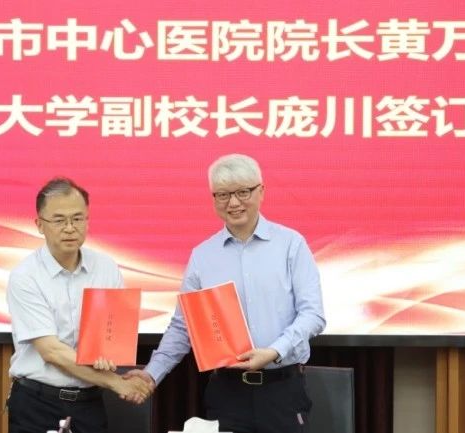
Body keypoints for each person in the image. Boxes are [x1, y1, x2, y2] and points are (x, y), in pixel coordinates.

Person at [121, 154, 326, 433]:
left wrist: (274, 352)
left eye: (243, 192)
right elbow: (183, 326)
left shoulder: (291, 244)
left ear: (261, 191)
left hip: (282, 390)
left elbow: (313, 315)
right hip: (227, 393)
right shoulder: (203, 256)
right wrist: (151, 374)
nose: (233, 203)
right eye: (223, 195)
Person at [6, 177, 151, 433]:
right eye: (59, 220)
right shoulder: (25, 276)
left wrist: (108, 357)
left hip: (89, 404)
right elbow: (52, 351)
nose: (70, 228)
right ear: (39, 225)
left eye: (77, 218)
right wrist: (117, 382)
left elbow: (111, 339)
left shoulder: (106, 268)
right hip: (37, 404)